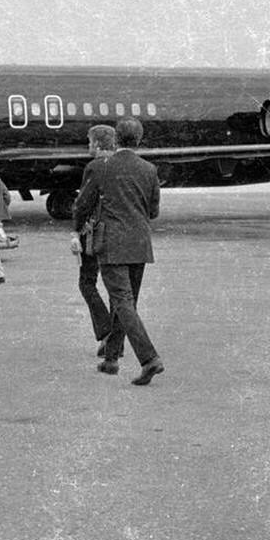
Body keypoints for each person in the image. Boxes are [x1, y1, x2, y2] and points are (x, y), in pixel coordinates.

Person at [72, 117, 164, 386]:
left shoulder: (100, 167)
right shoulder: (149, 169)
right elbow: (154, 211)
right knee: (127, 303)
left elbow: (82, 205)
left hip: (112, 244)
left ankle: (149, 359)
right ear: (139, 140)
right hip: (140, 244)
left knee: (122, 303)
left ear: (116, 138)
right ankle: (111, 359)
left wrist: (77, 230)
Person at [70, 124, 117, 357]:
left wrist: (75, 231)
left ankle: (107, 331)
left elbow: (82, 204)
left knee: (86, 283)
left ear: (97, 144)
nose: (88, 147)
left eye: (89, 142)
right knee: (117, 291)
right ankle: (114, 340)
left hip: (95, 234)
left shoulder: (94, 167)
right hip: (120, 236)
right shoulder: (123, 164)